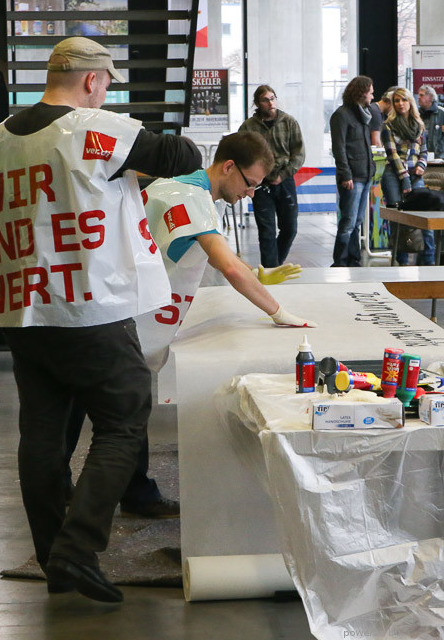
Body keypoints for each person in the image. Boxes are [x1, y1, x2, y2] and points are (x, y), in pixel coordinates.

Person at [0, 36, 202, 603]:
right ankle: (77, 547)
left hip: (21, 309)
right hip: (86, 304)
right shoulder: (91, 130)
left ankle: (52, 557)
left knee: (42, 434)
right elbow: (183, 157)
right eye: (107, 86)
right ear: (92, 81)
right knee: (124, 416)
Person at [60, 133, 315, 518]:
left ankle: (85, 486)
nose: (250, 194)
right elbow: (226, 265)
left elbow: (219, 256)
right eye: (250, 183)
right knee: (126, 409)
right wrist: (278, 311)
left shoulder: (177, 185)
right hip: (118, 314)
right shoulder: (193, 199)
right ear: (228, 167)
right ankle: (119, 497)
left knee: (86, 399)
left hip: (105, 305)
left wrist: (258, 273)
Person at [238, 85, 306, 269]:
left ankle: (275, 264)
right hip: (260, 185)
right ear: (257, 104)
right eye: (265, 100)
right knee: (266, 231)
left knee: (290, 228)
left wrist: (283, 174)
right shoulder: (248, 127)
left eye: (273, 98)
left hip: (285, 181)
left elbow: (299, 154)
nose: (270, 103)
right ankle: (270, 270)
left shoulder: (289, 122)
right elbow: (240, 154)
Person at [380, 88, 432, 266]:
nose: (400, 103)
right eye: (396, 101)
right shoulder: (388, 125)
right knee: (397, 218)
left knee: (424, 217)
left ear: (410, 102)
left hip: (415, 174)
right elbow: (392, 155)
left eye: (403, 100)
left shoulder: (419, 125)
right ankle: (401, 261)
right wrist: (405, 178)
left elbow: (424, 151)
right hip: (394, 175)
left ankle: (429, 261)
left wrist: (421, 165)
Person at [330, 75, 377, 267]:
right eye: (371, 93)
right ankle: (340, 262)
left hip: (365, 174)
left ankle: (353, 259)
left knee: (357, 222)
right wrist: (346, 174)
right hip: (352, 177)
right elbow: (339, 148)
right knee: (348, 222)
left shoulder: (363, 114)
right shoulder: (341, 115)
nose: (373, 97)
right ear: (362, 92)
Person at [417, 84, 444, 160]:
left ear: (430, 97)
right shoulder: (415, 114)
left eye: (421, 95)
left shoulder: (443, 113)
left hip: (439, 158)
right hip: (419, 157)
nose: (418, 97)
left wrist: (439, 149)